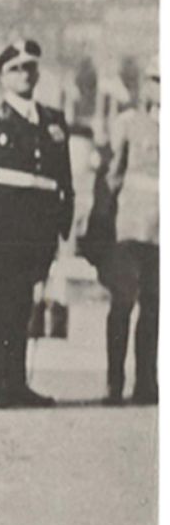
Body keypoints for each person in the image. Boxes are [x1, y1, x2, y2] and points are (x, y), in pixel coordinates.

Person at [0, 40, 73, 409]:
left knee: (23, 306)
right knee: (2, 302)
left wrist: (63, 222)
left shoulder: (53, 121)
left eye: (30, 67)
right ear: (2, 76)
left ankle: (16, 383)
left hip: (40, 228)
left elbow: (63, 177)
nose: (24, 75)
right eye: (15, 68)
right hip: (5, 227)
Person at [105, 62, 158, 404]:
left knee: (154, 307)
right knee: (122, 303)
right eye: (156, 79)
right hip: (129, 229)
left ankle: (146, 383)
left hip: (161, 233)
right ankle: (114, 383)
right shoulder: (127, 123)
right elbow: (113, 174)